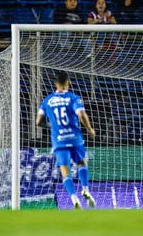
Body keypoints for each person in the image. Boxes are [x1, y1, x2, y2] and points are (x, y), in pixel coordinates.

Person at [36, 72, 96, 209]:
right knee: (81, 162)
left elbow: (38, 121)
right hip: (75, 138)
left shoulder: (48, 100)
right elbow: (81, 114)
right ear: (68, 83)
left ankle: (74, 198)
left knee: (65, 170)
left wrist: (51, 125)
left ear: (55, 84)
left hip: (59, 140)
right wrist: (90, 129)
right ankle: (85, 189)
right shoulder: (73, 98)